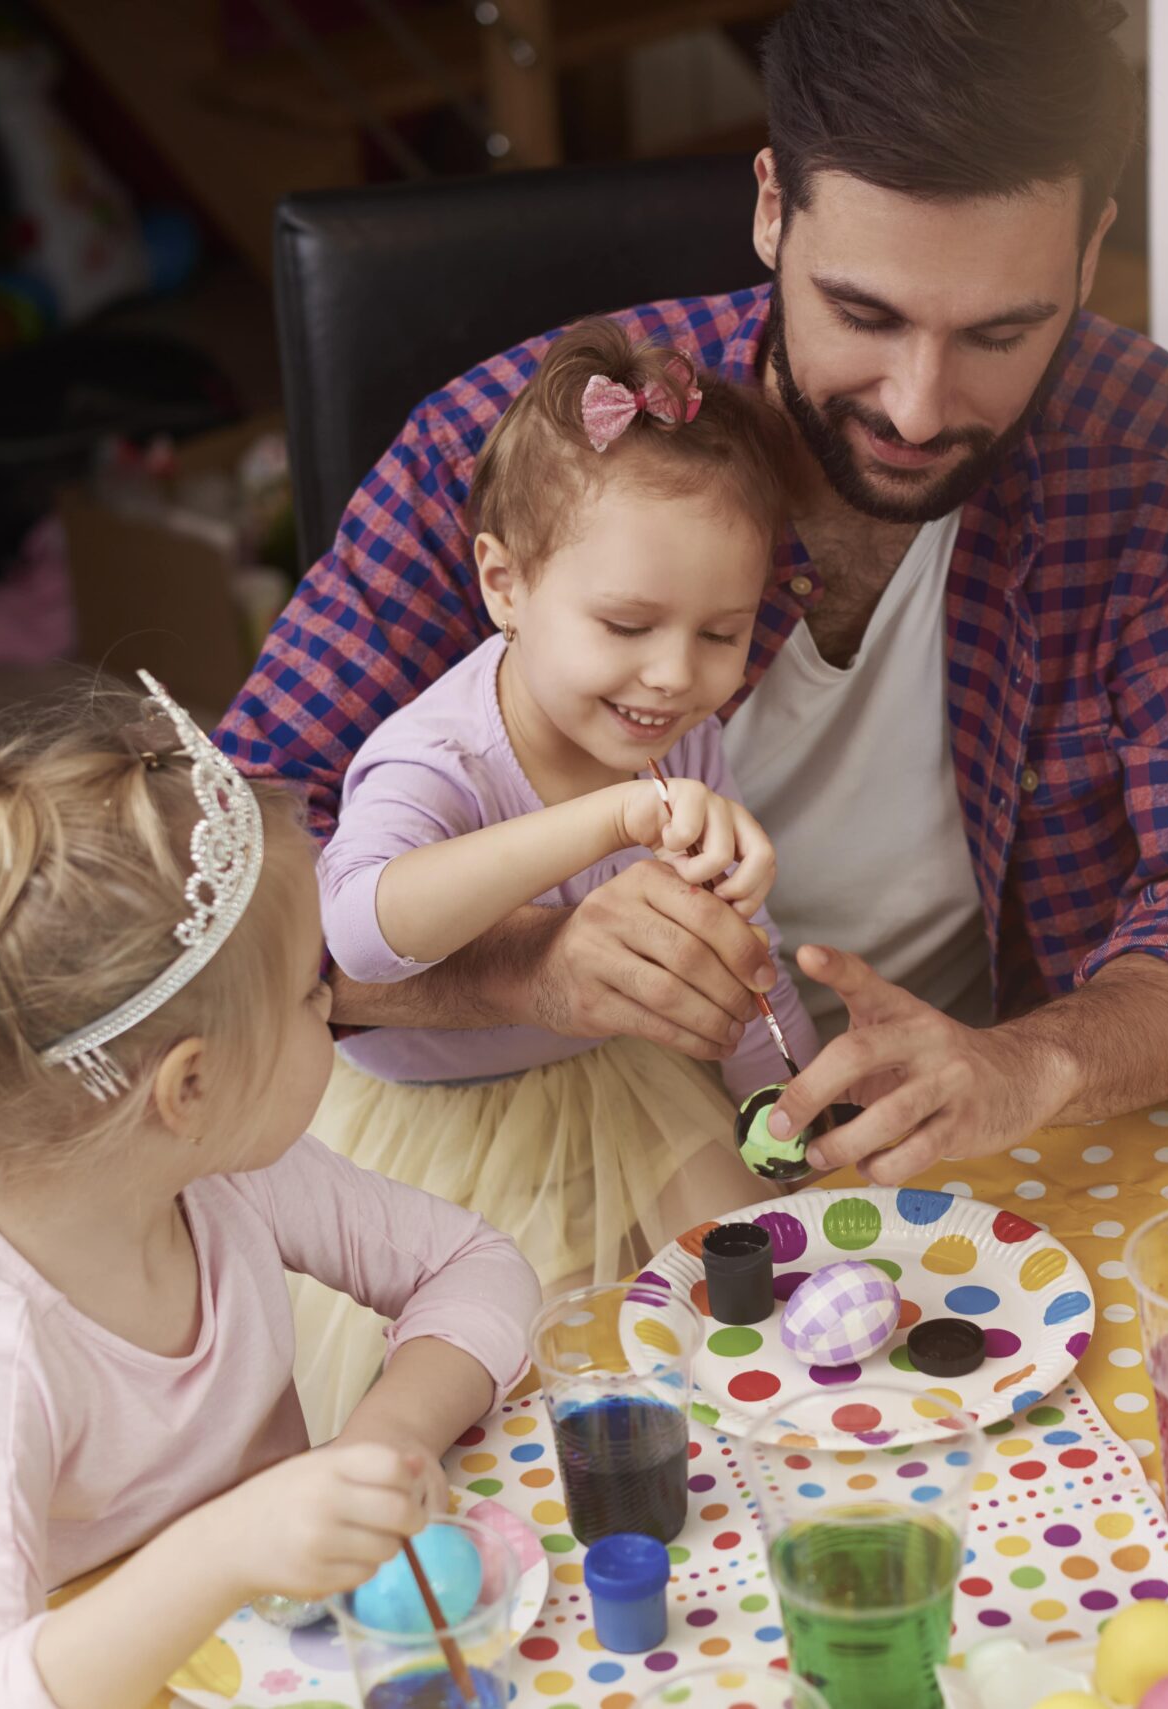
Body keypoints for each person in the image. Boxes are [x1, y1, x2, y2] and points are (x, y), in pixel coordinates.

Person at [218, 0, 1168, 1188]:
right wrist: (528, 969)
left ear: (1090, 246)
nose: (917, 405)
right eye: (865, 314)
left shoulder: (1147, 453)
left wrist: (1034, 1063)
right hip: (543, 1173)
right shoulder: (504, 456)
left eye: (1003, 332)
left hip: (975, 1159)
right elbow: (217, 892)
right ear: (770, 207)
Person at [0, 677, 539, 1708]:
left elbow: (475, 1264)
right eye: (311, 993)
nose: (332, 1004)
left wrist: (383, 1436)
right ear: (191, 1084)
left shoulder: (234, 1176)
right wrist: (219, 1549)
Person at [295, 319, 813, 1435]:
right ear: (504, 582)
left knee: (762, 1302)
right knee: (542, 1393)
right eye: (627, 623)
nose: (675, 674)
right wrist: (604, 820)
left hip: (629, 1092)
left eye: (722, 632)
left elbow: (733, 946)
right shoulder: (435, 754)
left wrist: (800, 1106)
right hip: (442, 1139)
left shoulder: (678, 728)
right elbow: (358, 933)